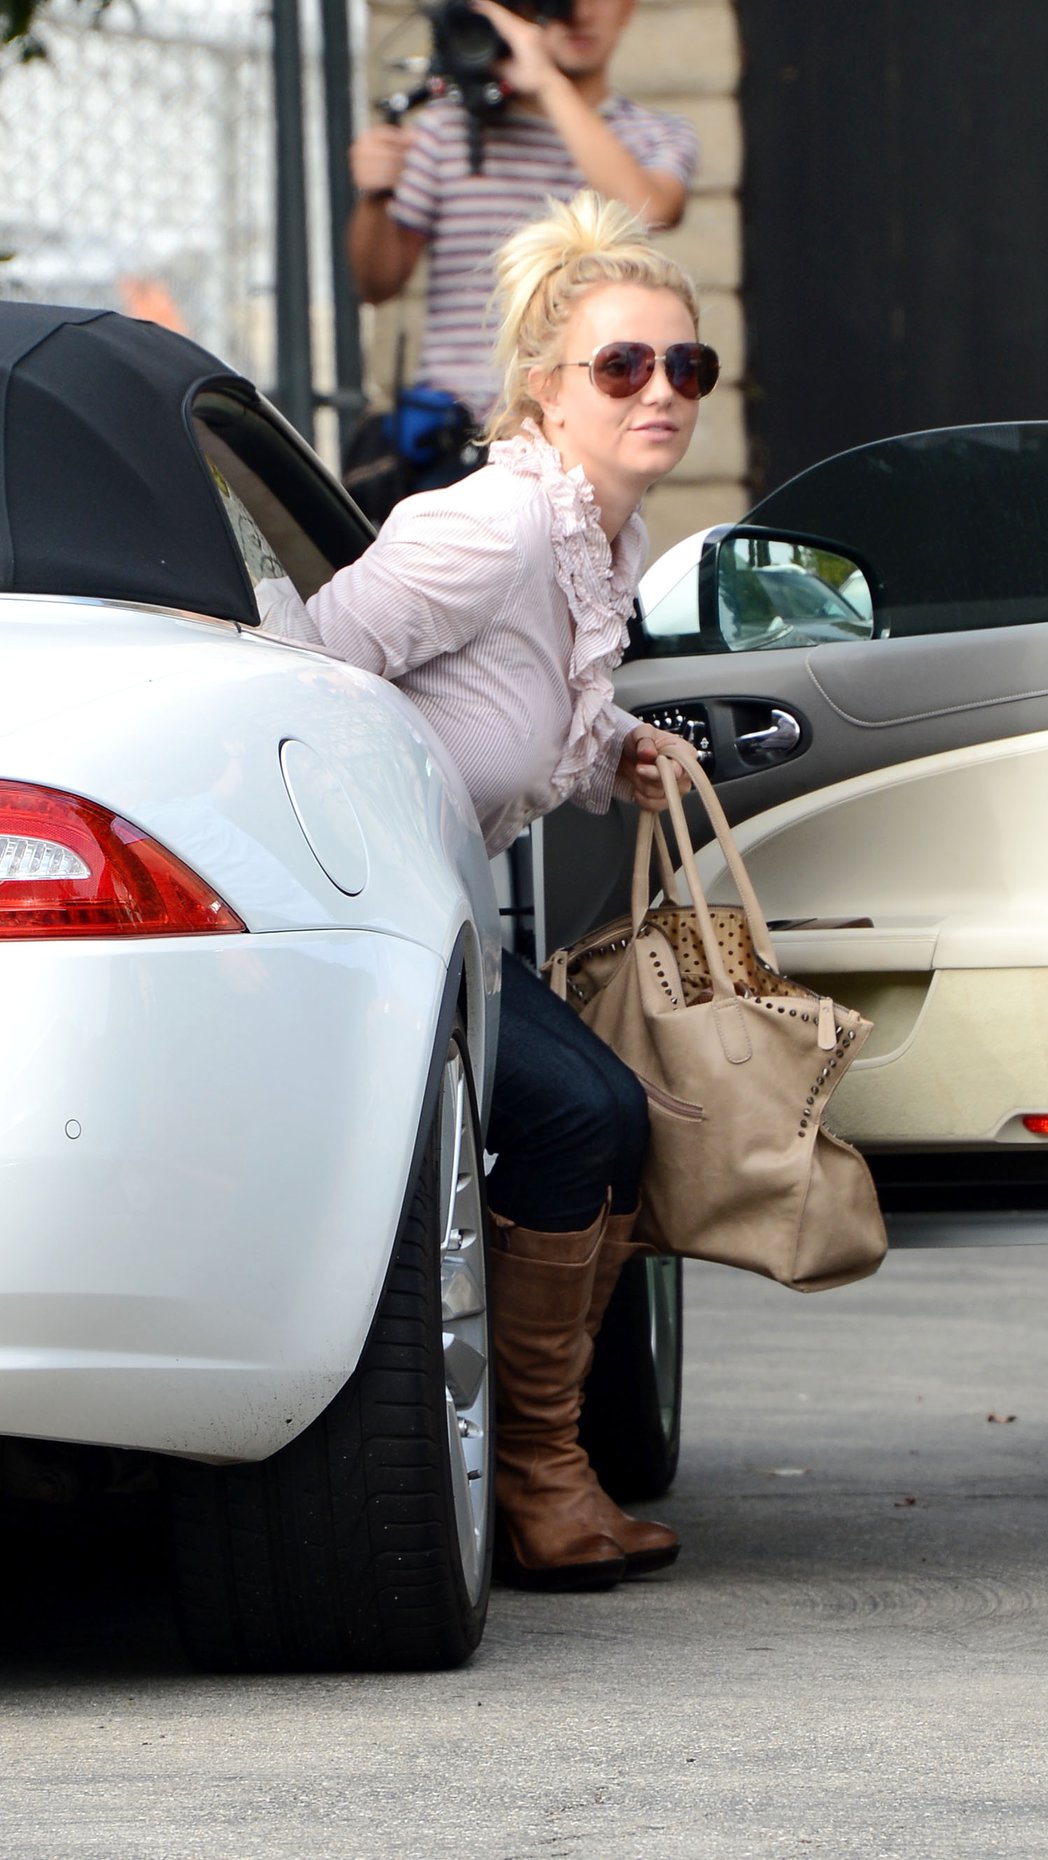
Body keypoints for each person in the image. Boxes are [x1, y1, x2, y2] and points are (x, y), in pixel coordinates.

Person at [260, 191, 719, 1590]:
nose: (661, 393)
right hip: (368, 905)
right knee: (585, 1112)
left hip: (437, 905)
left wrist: (618, 751)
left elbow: (521, 710)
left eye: (686, 367)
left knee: (599, 1118)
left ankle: (541, 1471)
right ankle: (539, 1479)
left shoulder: (601, 536)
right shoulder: (491, 530)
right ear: (543, 389)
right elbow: (310, 660)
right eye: (622, 366)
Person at [347, 0, 698, 449]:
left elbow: (649, 208)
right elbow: (376, 283)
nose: (579, 9)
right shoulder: (447, 129)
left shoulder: (654, 134)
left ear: (629, 5)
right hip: (454, 436)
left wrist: (547, 83)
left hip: (587, 437)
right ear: (522, 4)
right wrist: (374, 194)